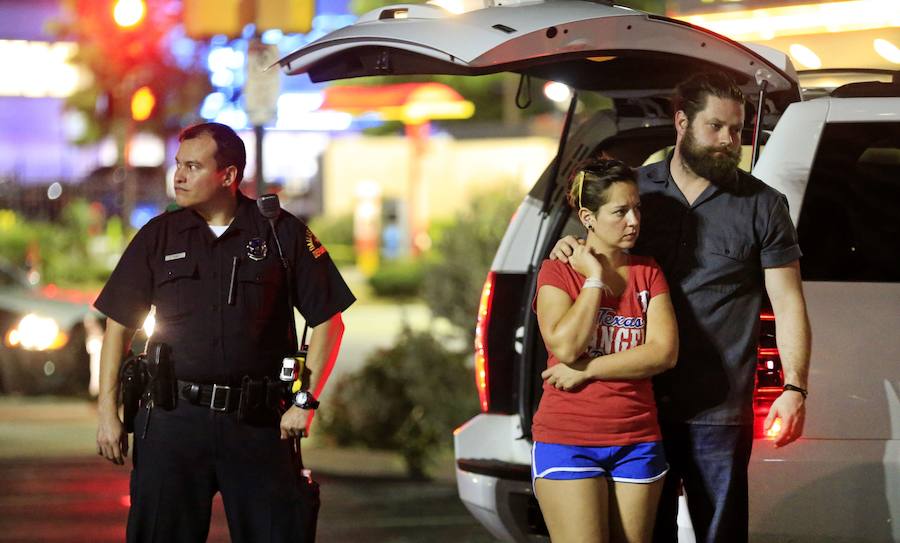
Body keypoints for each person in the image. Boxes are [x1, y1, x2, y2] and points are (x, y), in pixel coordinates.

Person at [551, 73, 812, 543]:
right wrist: (568, 247)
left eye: (736, 129)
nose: (729, 141)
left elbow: (789, 303)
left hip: (717, 408)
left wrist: (795, 387)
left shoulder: (762, 205)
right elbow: (592, 248)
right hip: (635, 405)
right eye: (716, 127)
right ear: (681, 122)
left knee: (720, 534)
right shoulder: (635, 195)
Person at [94, 122, 355, 542]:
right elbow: (117, 324)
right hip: (172, 422)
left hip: (258, 426)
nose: (178, 176)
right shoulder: (158, 237)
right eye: (178, 165)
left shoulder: (280, 233)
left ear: (228, 176)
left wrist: (304, 403)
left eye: (193, 166)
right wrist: (107, 412)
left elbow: (330, 322)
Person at [533, 159, 679, 543]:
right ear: (588, 216)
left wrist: (589, 370)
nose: (634, 220)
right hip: (569, 439)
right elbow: (566, 345)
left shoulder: (648, 272)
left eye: (637, 208)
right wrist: (594, 279)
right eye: (620, 211)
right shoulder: (558, 272)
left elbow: (663, 352)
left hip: (638, 438)